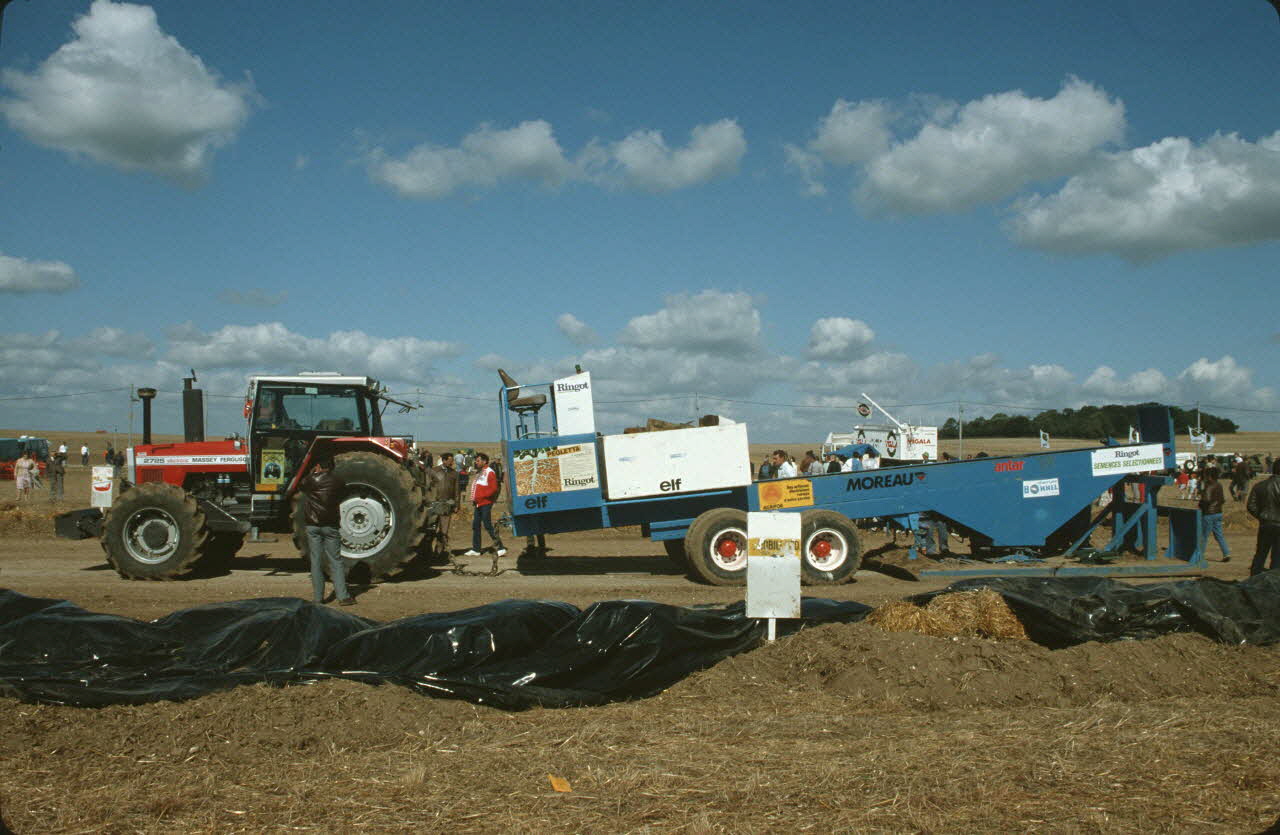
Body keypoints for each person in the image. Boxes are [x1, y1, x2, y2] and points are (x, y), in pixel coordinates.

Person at [299, 454, 354, 605]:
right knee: (335, 560)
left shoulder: (311, 480)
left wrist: (311, 473)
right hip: (330, 525)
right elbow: (343, 495)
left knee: (316, 561)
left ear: (318, 466)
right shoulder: (338, 482)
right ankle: (343, 596)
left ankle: (318, 598)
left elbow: (302, 486)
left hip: (312, 525)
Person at [464, 452, 506, 557]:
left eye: (478, 460)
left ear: (484, 461)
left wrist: (482, 497)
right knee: (476, 525)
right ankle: (476, 549)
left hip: (486, 503)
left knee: (487, 525)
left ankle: (500, 547)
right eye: (476, 460)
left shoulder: (489, 472)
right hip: (478, 503)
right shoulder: (480, 472)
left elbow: (493, 489)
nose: (476, 462)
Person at [1247, 461, 1280, 576]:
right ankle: (1275, 583)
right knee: (1277, 556)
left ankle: (1253, 580)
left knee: (1261, 553)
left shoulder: (1260, 486)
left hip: (1265, 524)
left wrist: (1261, 516)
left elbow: (1251, 506)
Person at [1198, 468, 1230, 562]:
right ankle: (1226, 553)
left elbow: (1206, 500)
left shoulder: (1209, 486)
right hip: (1218, 512)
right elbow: (1222, 499)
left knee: (1204, 536)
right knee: (1219, 535)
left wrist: (1200, 504)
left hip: (1208, 513)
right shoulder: (1219, 485)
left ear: (1209, 476)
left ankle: (1200, 555)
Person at [431, 451, 459, 545]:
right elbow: (429, 486)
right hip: (435, 501)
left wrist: (456, 504)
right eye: (450, 461)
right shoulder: (434, 471)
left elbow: (456, 490)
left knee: (445, 528)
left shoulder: (454, 473)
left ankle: (442, 548)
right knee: (432, 527)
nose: (452, 463)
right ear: (443, 460)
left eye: (452, 461)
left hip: (448, 502)